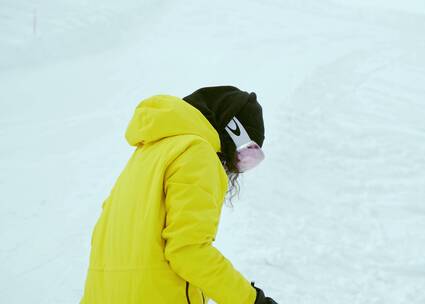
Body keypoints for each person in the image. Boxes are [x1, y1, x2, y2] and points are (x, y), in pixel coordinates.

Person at [80, 86, 277, 304]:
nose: (237, 167)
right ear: (232, 129)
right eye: (247, 155)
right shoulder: (197, 153)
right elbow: (188, 252)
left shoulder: (148, 153)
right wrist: (251, 301)